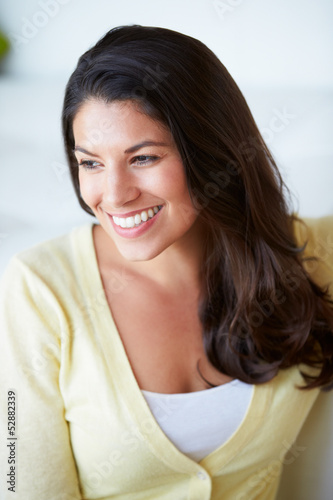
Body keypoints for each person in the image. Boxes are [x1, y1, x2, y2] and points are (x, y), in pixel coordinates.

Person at [1, 24, 333, 500]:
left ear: (211, 153)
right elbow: (18, 481)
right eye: (90, 163)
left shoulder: (308, 251)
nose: (114, 195)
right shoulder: (39, 289)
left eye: (143, 158)